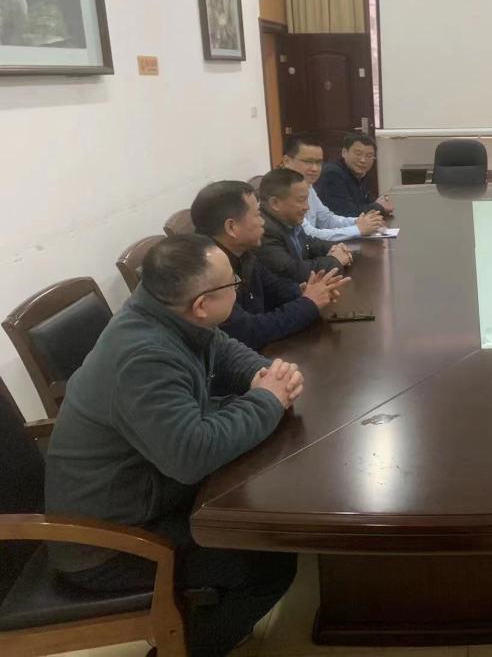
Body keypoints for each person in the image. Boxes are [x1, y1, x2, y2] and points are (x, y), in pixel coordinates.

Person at [45, 234, 302, 656]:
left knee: (255, 504)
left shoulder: (163, 311)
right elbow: (191, 456)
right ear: (202, 305)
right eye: (233, 283)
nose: (239, 287)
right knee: (268, 561)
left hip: (145, 493)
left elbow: (220, 347)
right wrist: (267, 401)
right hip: (104, 542)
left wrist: (263, 375)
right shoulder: (144, 356)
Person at [191, 180, 350, 349]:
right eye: (257, 215)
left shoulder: (244, 253)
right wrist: (308, 303)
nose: (263, 222)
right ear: (231, 227)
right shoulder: (206, 271)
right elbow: (248, 332)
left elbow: (276, 288)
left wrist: (309, 291)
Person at [280, 132, 387, 242]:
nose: (315, 168)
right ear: (287, 161)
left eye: (318, 162)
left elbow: (326, 219)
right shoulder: (281, 190)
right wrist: (358, 229)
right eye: (308, 162)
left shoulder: (307, 185)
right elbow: (308, 235)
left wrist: (360, 221)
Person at [258, 168, 353, 284]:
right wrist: (335, 260)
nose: (307, 207)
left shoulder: (288, 220)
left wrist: (334, 248)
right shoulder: (263, 230)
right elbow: (293, 272)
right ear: (275, 203)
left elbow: (309, 243)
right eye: (301, 200)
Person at [316, 131, 395, 218]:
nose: (363, 160)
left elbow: (367, 202)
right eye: (358, 154)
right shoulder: (332, 173)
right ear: (344, 152)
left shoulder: (360, 173)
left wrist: (381, 203)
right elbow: (346, 212)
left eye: (369, 156)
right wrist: (379, 206)